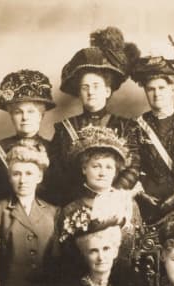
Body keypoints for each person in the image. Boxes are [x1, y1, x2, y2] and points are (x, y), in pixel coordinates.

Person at [49, 27, 141, 206]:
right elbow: (56, 173)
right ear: (79, 93)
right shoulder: (64, 129)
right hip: (75, 203)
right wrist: (82, 199)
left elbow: (133, 167)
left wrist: (111, 195)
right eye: (85, 87)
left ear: (107, 91)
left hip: (115, 200)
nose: (91, 92)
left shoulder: (125, 126)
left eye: (96, 86)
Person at [56, 126, 143, 280]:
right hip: (82, 280)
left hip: (124, 279)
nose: (102, 173)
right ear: (84, 169)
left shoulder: (128, 203)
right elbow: (66, 257)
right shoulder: (71, 209)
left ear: (116, 171)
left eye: (109, 167)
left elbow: (138, 247)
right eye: (96, 166)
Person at [0, 142, 59, 286]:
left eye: (29, 173)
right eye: (16, 174)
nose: (23, 180)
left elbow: (57, 260)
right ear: (9, 177)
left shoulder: (53, 213)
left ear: (39, 177)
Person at [130, 38, 174, 220]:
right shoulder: (135, 126)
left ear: (172, 88)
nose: (156, 93)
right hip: (147, 204)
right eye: (151, 89)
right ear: (145, 91)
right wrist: (140, 194)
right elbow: (131, 165)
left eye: (161, 87)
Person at [0, 69, 56, 205]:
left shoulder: (54, 150)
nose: (25, 117)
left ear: (41, 115)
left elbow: (60, 194)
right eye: (18, 112)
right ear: (11, 116)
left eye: (31, 111)